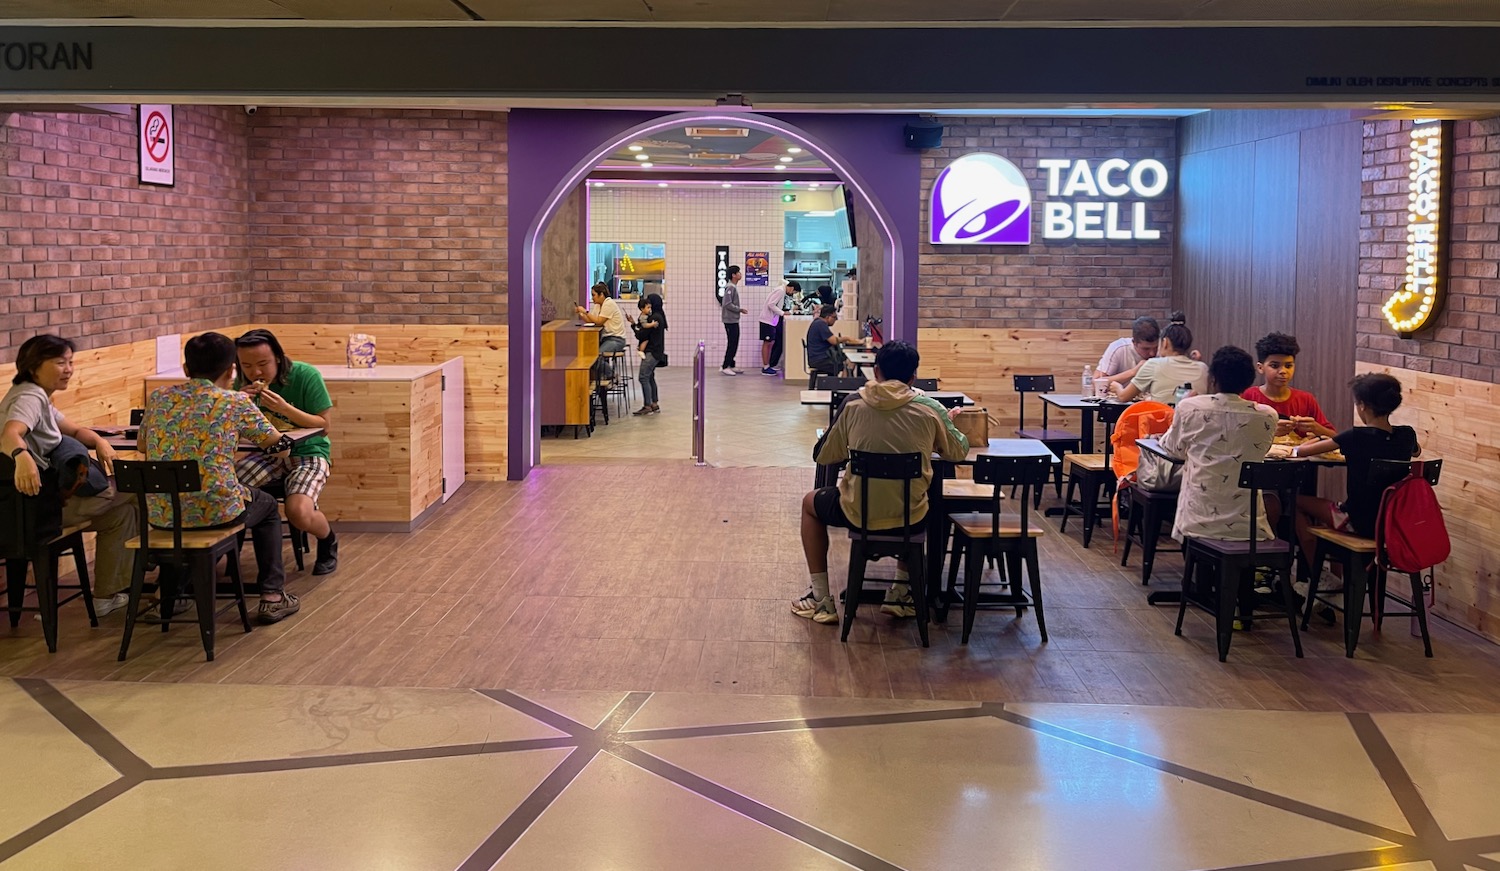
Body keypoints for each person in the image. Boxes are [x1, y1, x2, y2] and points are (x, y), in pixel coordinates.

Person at [792, 341, 969, 624]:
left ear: (876, 372)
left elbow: (825, 455)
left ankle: (821, 599)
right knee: (916, 495)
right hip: (912, 517)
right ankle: (900, 592)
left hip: (856, 513)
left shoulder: (853, 405)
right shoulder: (930, 409)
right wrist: (947, 424)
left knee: (809, 503)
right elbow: (958, 452)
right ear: (913, 377)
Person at [143, 332, 299, 624]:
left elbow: (142, 445)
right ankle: (272, 596)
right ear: (232, 370)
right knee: (265, 508)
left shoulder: (159, 397)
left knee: (186, 513)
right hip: (216, 511)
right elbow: (274, 445)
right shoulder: (235, 401)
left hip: (161, 513)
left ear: (187, 370)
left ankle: (172, 595)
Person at [1, 335, 139, 616]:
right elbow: (10, 434)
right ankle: (167, 577)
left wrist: (100, 442)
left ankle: (105, 597)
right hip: (38, 509)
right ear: (34, 366)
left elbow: (75, 430)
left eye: (70, 362)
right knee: (142, 492)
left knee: (119, 517)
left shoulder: (38, 396)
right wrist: (21, 456)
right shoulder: (28, 397)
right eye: (60, 362)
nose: (68, 369)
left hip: (46, 503)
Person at [1289, 373, 1419, 574]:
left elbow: (1300, 452)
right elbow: (1416, 451)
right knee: (1326, 509)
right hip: (1393, 524)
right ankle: (1334, 578)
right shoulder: (1407, 434)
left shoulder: (1356, 436)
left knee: (1295, 501)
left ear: (1363, 406)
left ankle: (1320, 575)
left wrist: (1311, 439)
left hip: (1357, 522)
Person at [234, 328, 340, 575]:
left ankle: (328, 541)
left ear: (278, 358)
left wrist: (284, 408)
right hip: (265, 454)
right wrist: (237, 404)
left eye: (263, 364)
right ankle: (228, 557)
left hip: (309, 452)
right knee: (228, 492)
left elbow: (324, 426)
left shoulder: (305, 375)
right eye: (247, 365)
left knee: (298, 512)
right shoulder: (241, 384)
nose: (255, 372)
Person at [1157, 346, 1277, 544]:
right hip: (1248, 526)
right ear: (1248, 381)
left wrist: (1179, 409)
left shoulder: (1190, 407)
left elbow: (1174, 450)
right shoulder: (1267, 416)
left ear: (1212, 378)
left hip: (1197, 522)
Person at [1241, 332, 1336, 439]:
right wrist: (1270, 432)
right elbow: (1234, 436)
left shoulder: (1306, 399)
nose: (1283, 371)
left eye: (1288, 366)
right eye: (1275, 366)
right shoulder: (1248, 397)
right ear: (1260, 368)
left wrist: (1316, 428)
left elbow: (1335, 438)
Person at [1114, 312, 1207, 404]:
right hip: (1195, 418)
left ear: (1165, 342)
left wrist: (1117, 387)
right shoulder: (1203, 368)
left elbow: (1124, 397)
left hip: (1164, 418)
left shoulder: (1153, 364)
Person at [1095, 316, 1160, 384]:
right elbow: (1096, 382)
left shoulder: (1164, 351)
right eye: (1146, 349)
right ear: (1134, 343)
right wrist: (1133, 372)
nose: (1152, 353)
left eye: (1156, 347)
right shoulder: (1118, 348)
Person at [630, 293, 667, 416]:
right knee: (650, 376)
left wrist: (633, 325)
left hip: (651, 352)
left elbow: (641, 335)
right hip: (657, 352)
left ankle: (647, 405)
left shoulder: (652, 319)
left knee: (643, 377)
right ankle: (654, 403)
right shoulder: (659, 316)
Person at [577, 282, 631, 359]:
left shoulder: (609, 303)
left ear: (601, 294)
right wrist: (581, 313)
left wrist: (585, 311)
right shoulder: (598, 305)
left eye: (593, 295)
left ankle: (609, 371)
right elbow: (591, 320)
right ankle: (603, 370)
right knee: (589, 353)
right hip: (605, 338)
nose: (592, 298)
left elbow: (599, 321)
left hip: (616, 339)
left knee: (597, 357)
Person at [807, 304, 860, 382]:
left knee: (846, 360)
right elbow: (834, 341)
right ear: (828, 317)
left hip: (817, 358)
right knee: (847, 364)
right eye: (834, 317)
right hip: (820, 360)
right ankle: (843, 386)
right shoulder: (821, 324)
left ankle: (841, 384)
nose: (835, 320)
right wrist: (847, 338)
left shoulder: (817, 323)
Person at [761, 281, 797, 375]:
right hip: (767, 320)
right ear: (792, 288)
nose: (792, 294)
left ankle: (768, 365)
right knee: (767, 343)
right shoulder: (780, 291)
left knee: (770, 343)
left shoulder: (781, 290)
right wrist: (782, 313)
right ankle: (765, 367)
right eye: (794, 292)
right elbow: (771, 304)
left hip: (771, 320)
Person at [720, 266, 747, 375]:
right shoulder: (730, 287)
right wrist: (739, 309)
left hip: (733, 320)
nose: (741, 274)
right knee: (732, 343)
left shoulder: (732, 287)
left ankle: (731, 364)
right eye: (738, 272)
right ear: (733, 275)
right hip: (730, 320)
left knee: (734, 342)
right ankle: (725, 366)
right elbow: (727, 304)